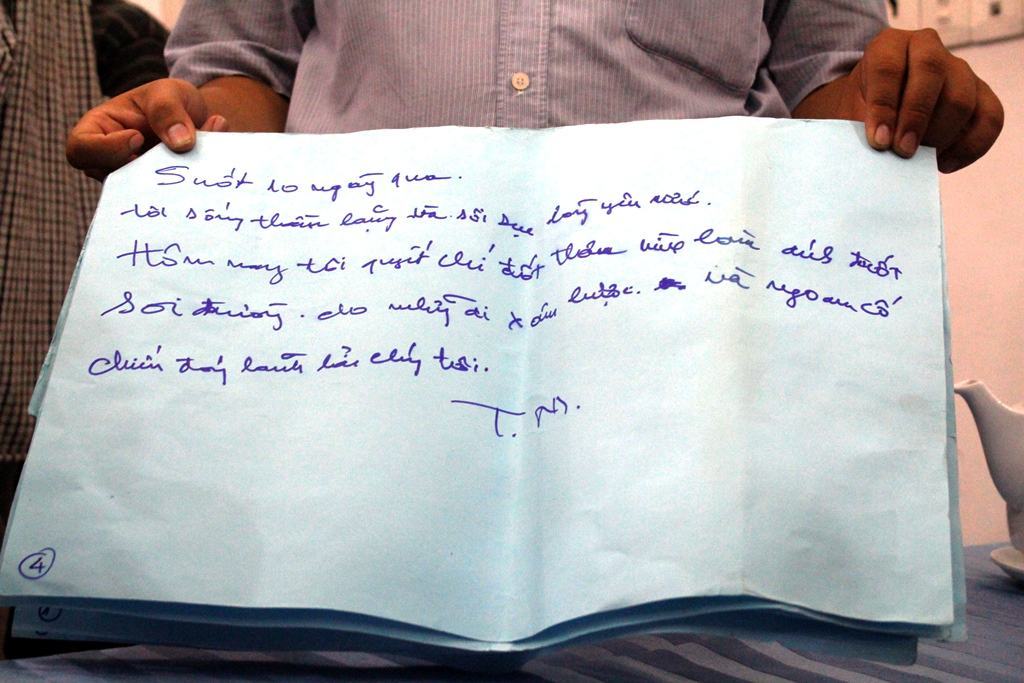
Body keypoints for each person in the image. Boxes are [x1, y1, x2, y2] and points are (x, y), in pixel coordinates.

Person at [66, 2, 1003, 180]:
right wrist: (191, 132)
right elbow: (244, 65)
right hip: (359, 354)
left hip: (695, 370)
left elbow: (831, 89)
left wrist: (907, 100)